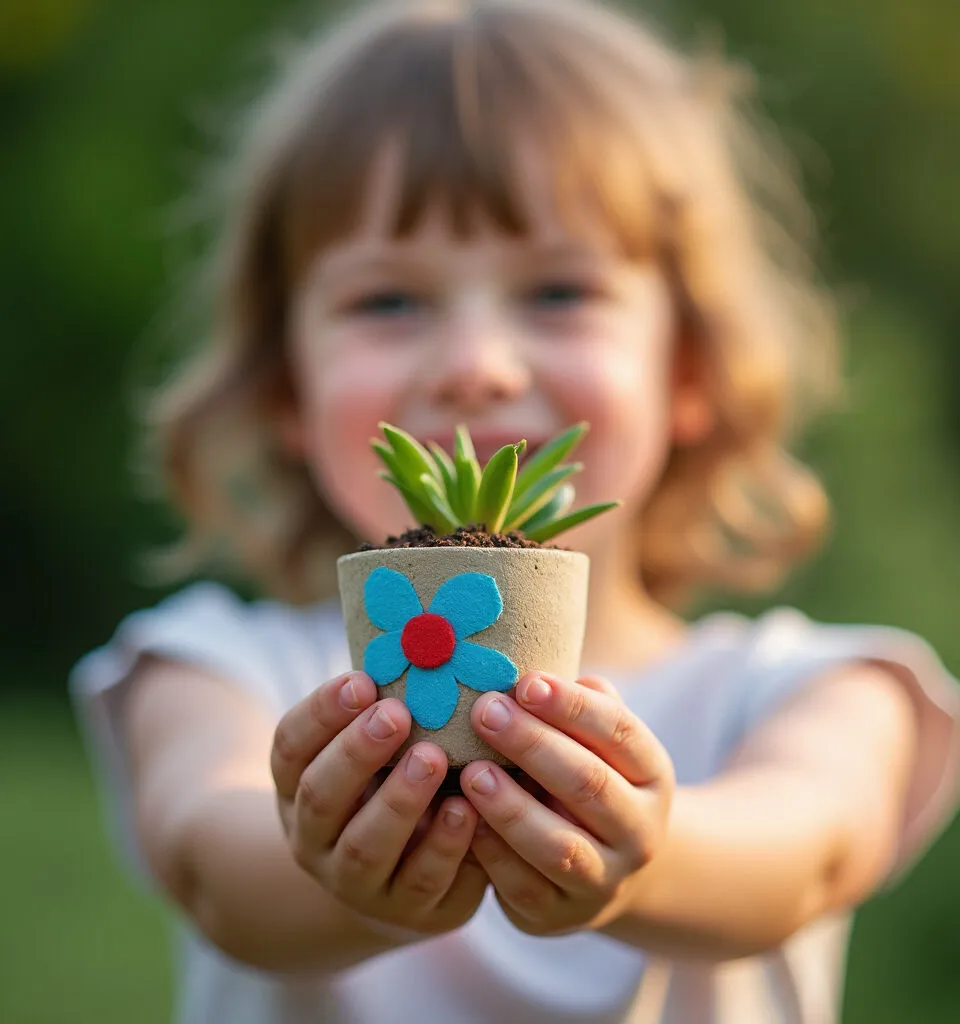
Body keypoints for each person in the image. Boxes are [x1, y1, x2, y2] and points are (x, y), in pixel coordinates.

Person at [70, 1, 960, 1021]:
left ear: (689, 367)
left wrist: (642, 863)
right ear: (285, 387)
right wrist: (338, 862)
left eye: (559, 293)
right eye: (389, 302)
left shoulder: (810, 691)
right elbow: (212, 857)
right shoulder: (214, 670)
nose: (475, 369)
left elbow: (806, 848)